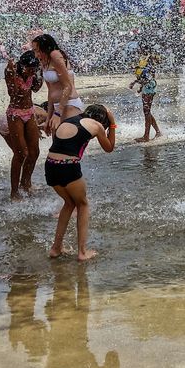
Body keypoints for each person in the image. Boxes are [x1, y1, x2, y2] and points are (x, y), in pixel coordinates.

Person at [45, 104, 116, 261]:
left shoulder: (70, 120)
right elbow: (109, 148)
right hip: (68, 166)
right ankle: (82, 252)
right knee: (83, 205)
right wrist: (112, 124)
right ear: (102, 120)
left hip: (50, 165)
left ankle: (56, 248)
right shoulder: (96, 125)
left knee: (69, 203)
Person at [5, 50, 44, 199]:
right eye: (29, 69)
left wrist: (39, 73)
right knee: (21, 153)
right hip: (15, 114)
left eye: (34, 69)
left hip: (29, 111)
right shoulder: (12, 71)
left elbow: (36, 89)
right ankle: (14, 192)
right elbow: (13, 93)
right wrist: (11, 74)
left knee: (35, 152)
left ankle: (25, 184)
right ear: (22, 65)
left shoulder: (34, 72)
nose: (31, 72)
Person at [33, 33, 83, 130]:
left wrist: (57, 114)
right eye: (34, 51)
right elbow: (51, 92)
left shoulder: (55, 55)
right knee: (57, 138)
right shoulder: (43, 60)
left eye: (37, 50)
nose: (36, 55)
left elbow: (68, 86)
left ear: (45, 48)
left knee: (66, 138)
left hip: (69, 103)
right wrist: (48, 118)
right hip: (57, 107)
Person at [128, 44, 162, 143]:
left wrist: (136, 83)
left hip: (149, 88)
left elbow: (148, 78)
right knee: (147, 111)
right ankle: (158, 132)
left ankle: (146, 136)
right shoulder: (143, 61)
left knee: (146, 111)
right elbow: (145, 76)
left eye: (140, 49)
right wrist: (139, 85)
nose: (138, 51)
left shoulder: (148, 61)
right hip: (148, 87)